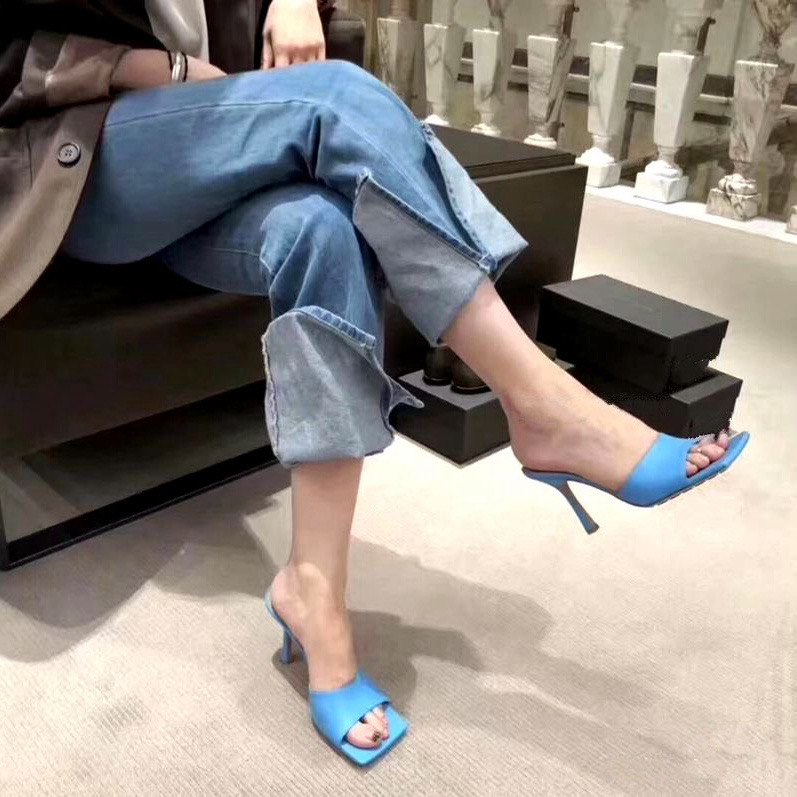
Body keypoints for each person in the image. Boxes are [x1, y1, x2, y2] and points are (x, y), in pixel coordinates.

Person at [0, 0, 748, 766]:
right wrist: (159, 68)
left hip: (212, 147)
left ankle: (313, 588)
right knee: (338, 94)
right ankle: (545, 405)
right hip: (80, 156)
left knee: (321, 229)